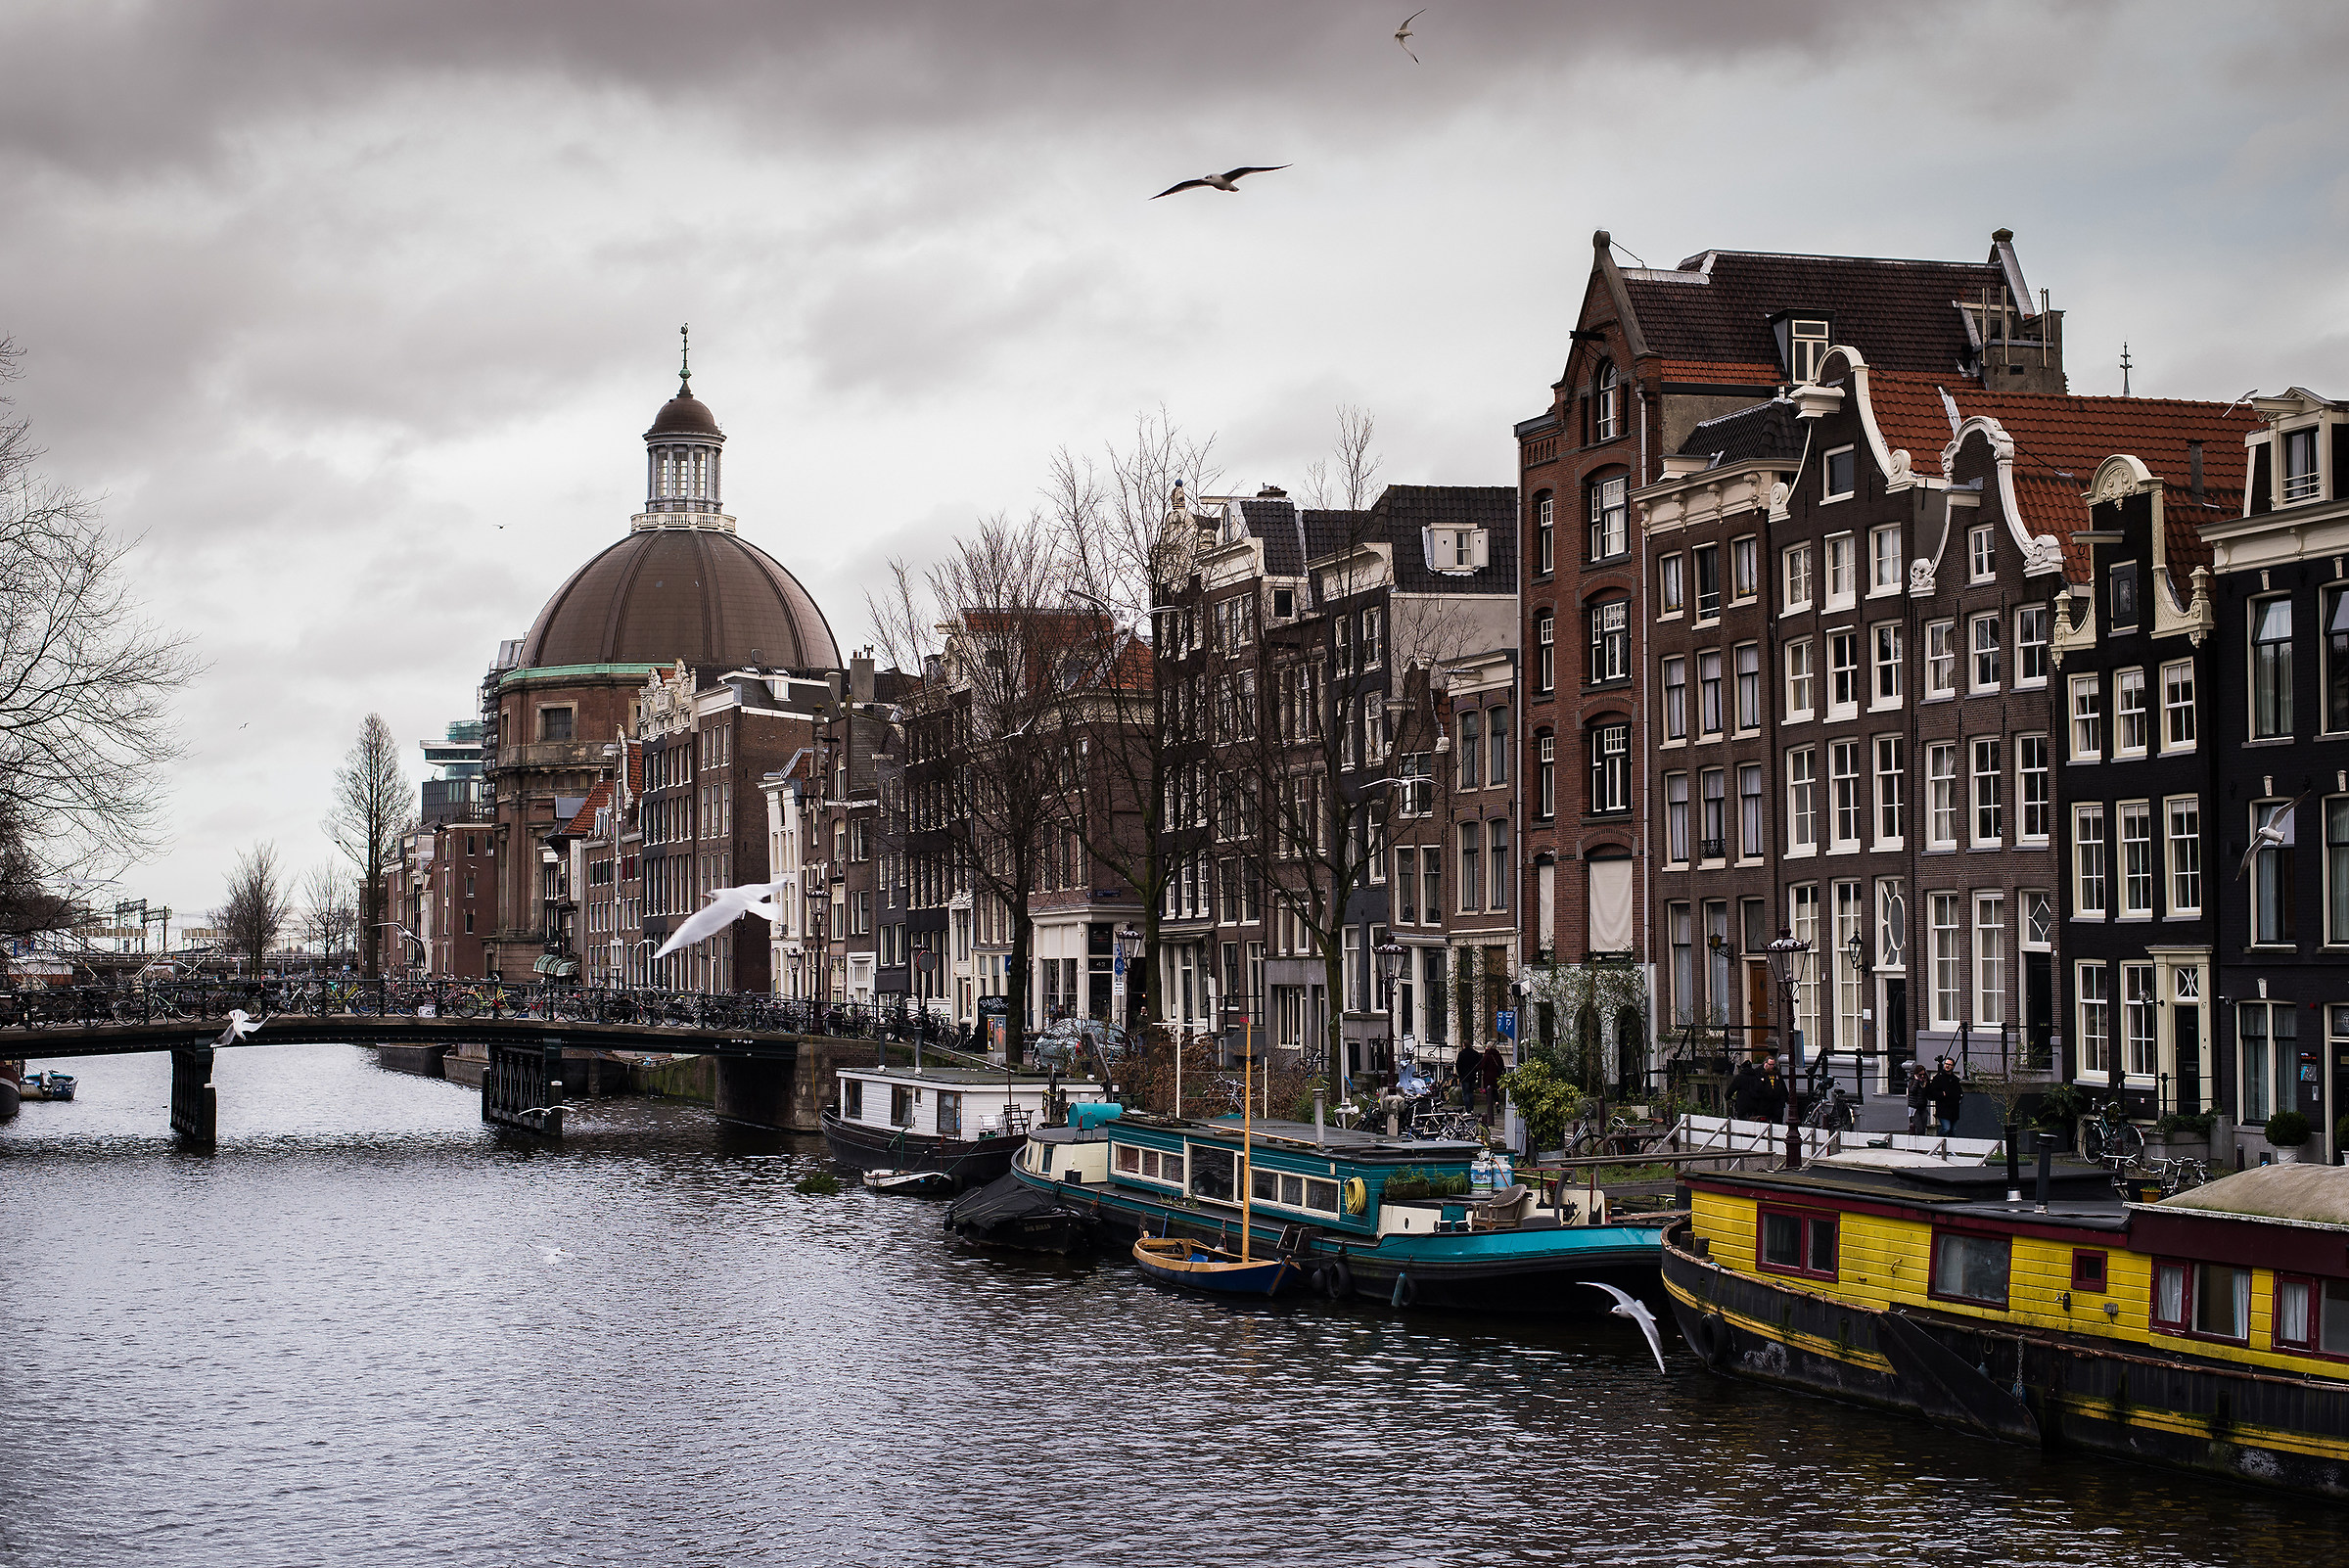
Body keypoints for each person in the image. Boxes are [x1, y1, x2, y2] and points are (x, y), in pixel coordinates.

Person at [1928, 1056, 1966, 1136]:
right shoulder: (1939, 1077)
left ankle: (1949, 1148)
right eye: (1946, 1064)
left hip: (1954, 1110)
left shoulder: (1955, 1079)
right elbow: (1932, 1092)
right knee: (1946, 1128)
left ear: (1953, 1066)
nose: (1947, 1066)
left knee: (1952, 1131)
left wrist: (1958, 1096)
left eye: (1949, 1064)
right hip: (1943, 1109)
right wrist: (1942, 1094)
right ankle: (1937, 1142)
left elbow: (1959, 1092)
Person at [1728, 1054, 1765, 1122]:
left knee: (1742, 1122)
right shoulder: (1756, 1077)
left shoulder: (1740, 1077)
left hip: (1742, 1105)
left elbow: (1731, 1089)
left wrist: (1727, 1096)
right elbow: (1761, 1089)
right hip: (1755, 1105)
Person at [1479, 1042, 1507, 1126]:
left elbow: (1482, 1066)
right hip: (1496, 1077)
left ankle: (1490, 1111)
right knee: (1495, 1090)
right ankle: (1497, 1102)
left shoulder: (1487, 1056)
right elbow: (1502, 1065)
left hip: (1488, 1077)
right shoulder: (1498, 1055)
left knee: (1489, 1092)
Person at [1756, 1052, 1788, 1125]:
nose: (1772, 1066)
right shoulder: (1758, 1072)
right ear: (1765, 1063)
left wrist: (1786, 1098)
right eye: (1770, 1064)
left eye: (1773, 1064)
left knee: (1777, 1120)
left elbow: (1782, 1085)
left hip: (1776, 1103)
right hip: (1764, 1103)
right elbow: (1756, 1087)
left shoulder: (1777, 1072)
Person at [1905, 1057, 1931, 1135]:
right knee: (1918, 1128)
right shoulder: (1912, 1082)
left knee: (1923, 1128)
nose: (1922, 1076)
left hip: (1923, 1107)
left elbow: (1928, 1092)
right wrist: (1916, 1080)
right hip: (1914, 1108)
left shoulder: (1925, 1082)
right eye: (1920, 1075)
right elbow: (1912, 1090)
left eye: (1924, 1074)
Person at [1455, 1040, 1481, 1110]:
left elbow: (1458, 1065)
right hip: (1472, 1076)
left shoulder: (1461, 1054)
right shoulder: (1475, 1054)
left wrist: (1460, 1074)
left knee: (1466, 1093)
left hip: (1464, 1077)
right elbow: (1479, 1064)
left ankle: (1468, 1109)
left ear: (1464, 1045)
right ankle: (1471, 1108)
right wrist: (1475, 1071)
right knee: (1470, 1093)